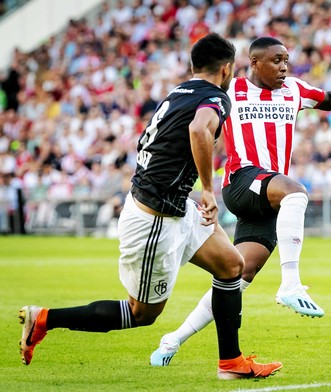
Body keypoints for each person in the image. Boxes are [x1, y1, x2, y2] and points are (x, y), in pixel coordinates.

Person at [18, 33, 282, 380]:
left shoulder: (179, 91)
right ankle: (45, 319)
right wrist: (206, 188)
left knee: (232, 266)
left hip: (172, 208)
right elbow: (200, 130)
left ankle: (230, 363)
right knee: (141, 314)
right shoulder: (216, 97)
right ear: (227, 68)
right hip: (155, 220)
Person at [150, 36, 331, 366]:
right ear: (254, 63)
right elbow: (197, 123)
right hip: (242, 181)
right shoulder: (230, 90)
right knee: (296, 192)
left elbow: (327, 98)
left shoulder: (295, 89)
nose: (284, 66)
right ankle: (291, 284)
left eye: (286, 60)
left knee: (237, 275)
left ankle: (173, 339)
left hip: (268, 195)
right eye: (276, 60)